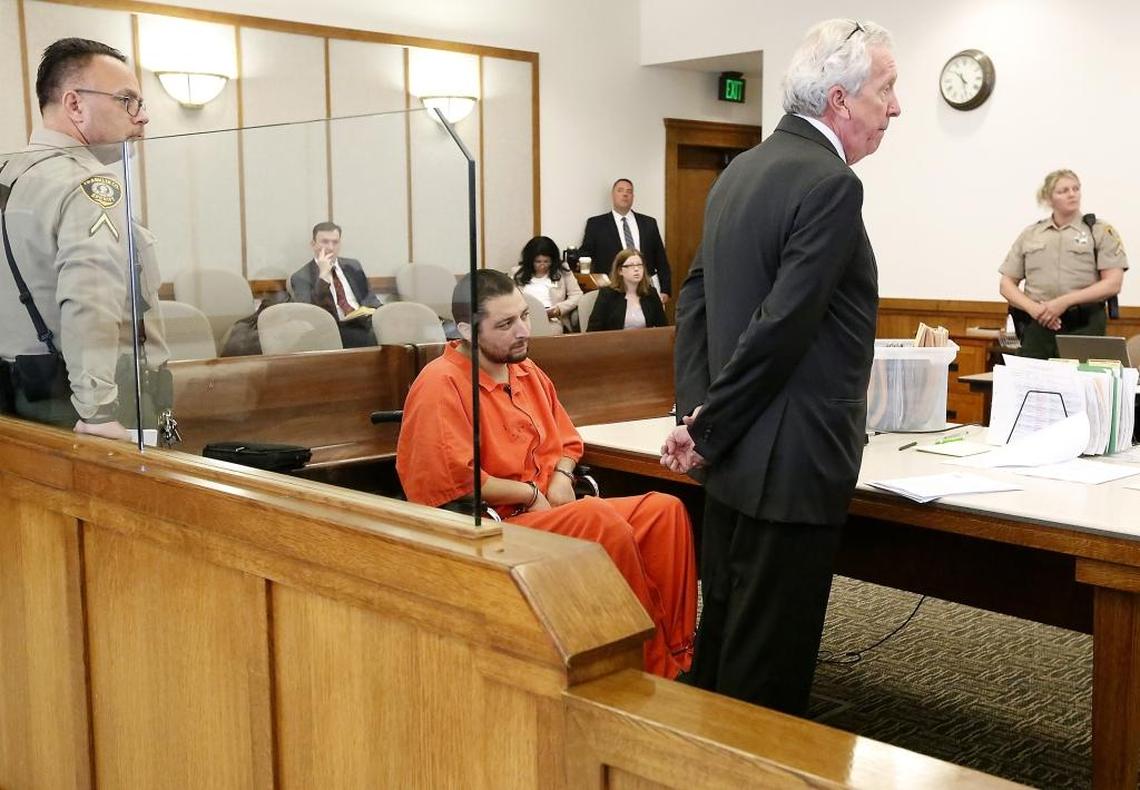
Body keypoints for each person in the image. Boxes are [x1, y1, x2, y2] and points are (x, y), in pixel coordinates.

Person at [662, 19, 901, 716]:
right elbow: (783, 329)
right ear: (839, 100)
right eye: (886, 90)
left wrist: (698, 415)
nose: (895, 108)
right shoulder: (831, 185)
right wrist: (706, 427)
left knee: (729, 644)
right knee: (769, 674)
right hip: (794, 463)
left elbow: (696, 300)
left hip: (736, 458)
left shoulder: (744, 170)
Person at [396, 268, 696, 678]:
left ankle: (680, 656)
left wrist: (560, 474)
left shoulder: (527, 371)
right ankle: (647, 667)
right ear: (466, 330)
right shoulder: (440, 384)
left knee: (665, 511)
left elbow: (567, 440)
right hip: (499, 527)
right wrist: (529, 494)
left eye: (523, 316)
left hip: (549, 506)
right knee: (597, 520)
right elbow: (451, 479)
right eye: (505, 323)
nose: (523, 330)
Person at [0, 37, 168, 441]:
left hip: (17, 397)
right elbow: (88, 301)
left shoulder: (8, 173)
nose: (142, 117)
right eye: (127, 100)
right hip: (92, 405)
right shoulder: (88, 186)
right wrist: (99, 413)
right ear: (74, 104)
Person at [999, 170, 1128, 359]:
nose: (1072, 194)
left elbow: (1113, 283)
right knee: (1031, 382)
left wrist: (1063, 302)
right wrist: (1034, 309)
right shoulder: (1031, 234)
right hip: (1038, 322)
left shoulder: (1099, 231)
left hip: (1084, 323)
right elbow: (1006, 284)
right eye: (1063, 190)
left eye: (1076, 188)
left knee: (1081, 382)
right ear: (1048, 198)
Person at [289, 221, 384, 348]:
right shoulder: (301, 277)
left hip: (364, 322)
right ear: (313, 244)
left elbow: (371, 299)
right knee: (369, 338)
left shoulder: (353, 266)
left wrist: (382, 314)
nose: (331, 247)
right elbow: (310, 314)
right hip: (335, 328)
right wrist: (323, 276)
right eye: (325, 242)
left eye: (335, 242)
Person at [580, 178, 672, 302]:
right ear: (613, 195)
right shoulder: (596, 224)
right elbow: (586, 255)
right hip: (612, 288)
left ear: (633, 197)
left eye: (629, 191)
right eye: (620, 190)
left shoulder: (649, 223)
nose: (625, 194)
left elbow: (660, 258)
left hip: (646, 286)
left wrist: (665, 289)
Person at [511, 235, 582, 333]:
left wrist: (559, 309)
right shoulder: (517, 273)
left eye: (546, 261)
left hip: (552, 319)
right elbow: (510, 298)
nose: (542, 265)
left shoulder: (562, 271)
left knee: (550, 331)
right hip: (525, 317)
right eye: (538, 262)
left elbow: (577, 295)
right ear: (530, 260)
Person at [586, 249, 667, 332]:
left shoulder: (651, 293)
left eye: (639, 265)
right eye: (631, 266)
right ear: (620, 271)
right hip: (614, 343)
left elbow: (663, 328)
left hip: (644, 343)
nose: (636, 269)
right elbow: (593, 330)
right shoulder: (607, 294)